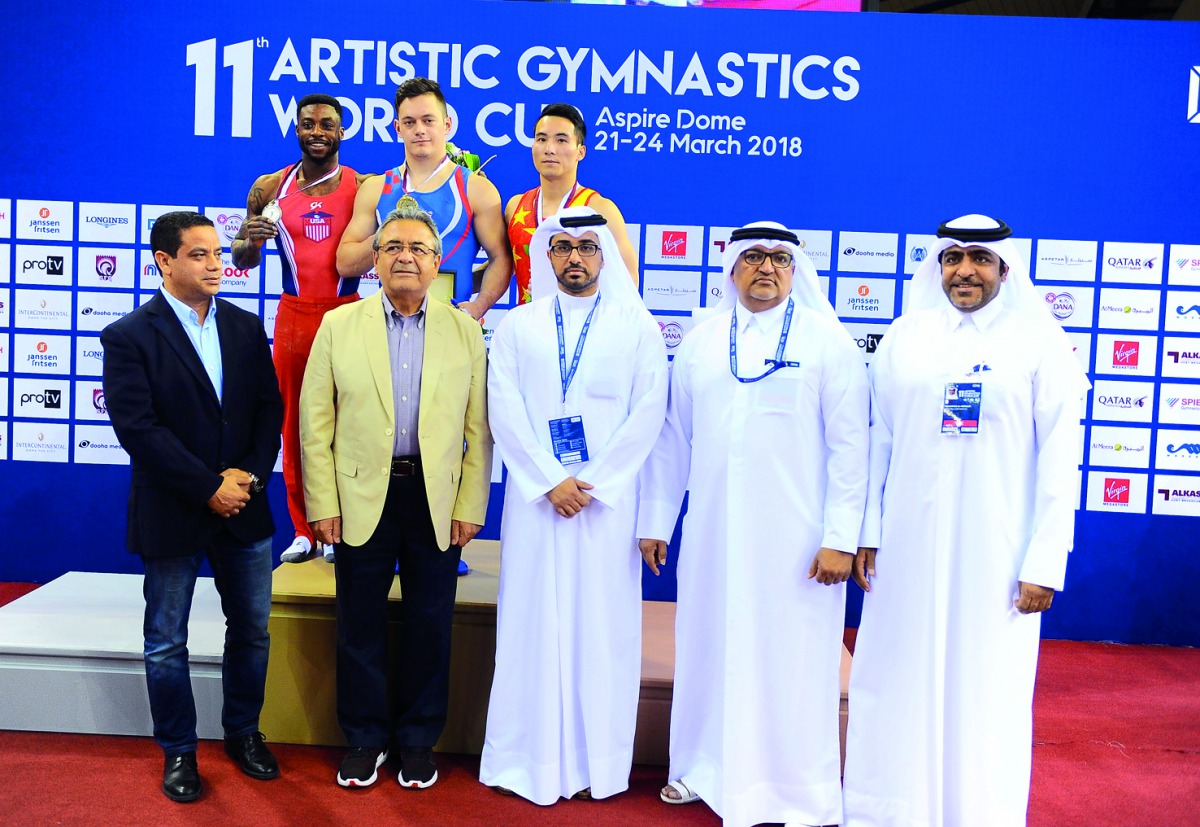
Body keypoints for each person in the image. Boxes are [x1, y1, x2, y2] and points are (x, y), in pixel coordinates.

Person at [842, 214, 1089, 827]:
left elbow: (1062, 459)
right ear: (939, 267)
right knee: (897, 678)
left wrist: (1045, 561)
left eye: (979, 260)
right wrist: (867, 531)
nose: (965, 271)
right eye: (953, 259)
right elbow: (879, 440)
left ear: (1004, 268)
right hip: (908, 546)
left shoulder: (1040, 342)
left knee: (988, 689)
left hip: (998, 552)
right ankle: (891, 812)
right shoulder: (906, 336)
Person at [636, 221, 869, 827]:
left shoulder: (828, 343)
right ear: (732, 266)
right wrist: (657, 518)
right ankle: (700, 769)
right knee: (710, 646)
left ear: (794, 268)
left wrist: (840, 538)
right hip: (715, 533)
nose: (765, 268)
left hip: (800, 543)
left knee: (793, 658)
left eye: (778, 259)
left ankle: (794, 788)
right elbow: (671, 440)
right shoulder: (701, 342)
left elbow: (852, 450)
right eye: (752, 258)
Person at [300, 201, 492, 791]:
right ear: (374, 261)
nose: (405, 257)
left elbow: (477, 430)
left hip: (434, 501)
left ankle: (415, 740)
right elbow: (315, 422)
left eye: (418, 249)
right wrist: (322, 503)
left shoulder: (465, 329)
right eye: (393, 248)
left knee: (430, 623)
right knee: (358, 622)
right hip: (358, 499)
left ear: (438, 263)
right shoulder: (339, 324)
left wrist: (469, 505)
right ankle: (364, 738)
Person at [479, 207, 667, 804]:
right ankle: (523, 761)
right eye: (563, 248)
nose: (576, 258)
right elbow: (502, 411)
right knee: (531, 627)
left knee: (601, 630)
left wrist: (595, 482)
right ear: (546, 256)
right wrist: (550, 479)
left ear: (604, 254)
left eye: (588, 246)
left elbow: (649, 416)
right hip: (539, 504)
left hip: (606, 509)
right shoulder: (516, 327)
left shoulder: (637, 328)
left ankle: (597, 765)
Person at [101, 211, 284, 802]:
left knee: (252, 631)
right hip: (175, 508)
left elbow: (267, 413)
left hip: (246, 506)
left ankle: (243, 733)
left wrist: (248, 477)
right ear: (165, 262)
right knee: (165, 640)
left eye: (216, 253)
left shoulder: (245, 326)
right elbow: (139, 429)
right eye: (200, 255)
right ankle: (179, 752)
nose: (216, 264)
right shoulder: (130, 335)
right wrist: (209, 485)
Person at [232, 93, 370, 565]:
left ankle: (338, 527)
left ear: (341, 131)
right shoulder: (269, 187)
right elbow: (241, 257)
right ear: (296, 129)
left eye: (327, 124)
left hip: (347, 311)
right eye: (308, 124)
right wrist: (248, 240)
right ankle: (303, 529)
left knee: (347, 426)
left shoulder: (363, 186)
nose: (317, 131)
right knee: (292, 424)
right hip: (294, 316)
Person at [337, 77, 512, 319]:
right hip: (388, 324)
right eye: (409, 122)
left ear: (447, 124)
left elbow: (501, 258)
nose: (419, 129)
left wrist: (478, 307)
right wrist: (390, 233)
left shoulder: (476, 189)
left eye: (428, 120)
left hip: (451, 325)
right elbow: (345, 264)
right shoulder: (376, 189)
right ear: (398, 128)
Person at [506, 104, 639, 304]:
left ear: (581, 152)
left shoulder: (601, 209)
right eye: (541, 139)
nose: (549, 149)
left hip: (586, 329)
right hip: (528, 327)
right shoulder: (515, 206)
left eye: (561, 140)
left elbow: (629, 282)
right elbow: (500, 266)